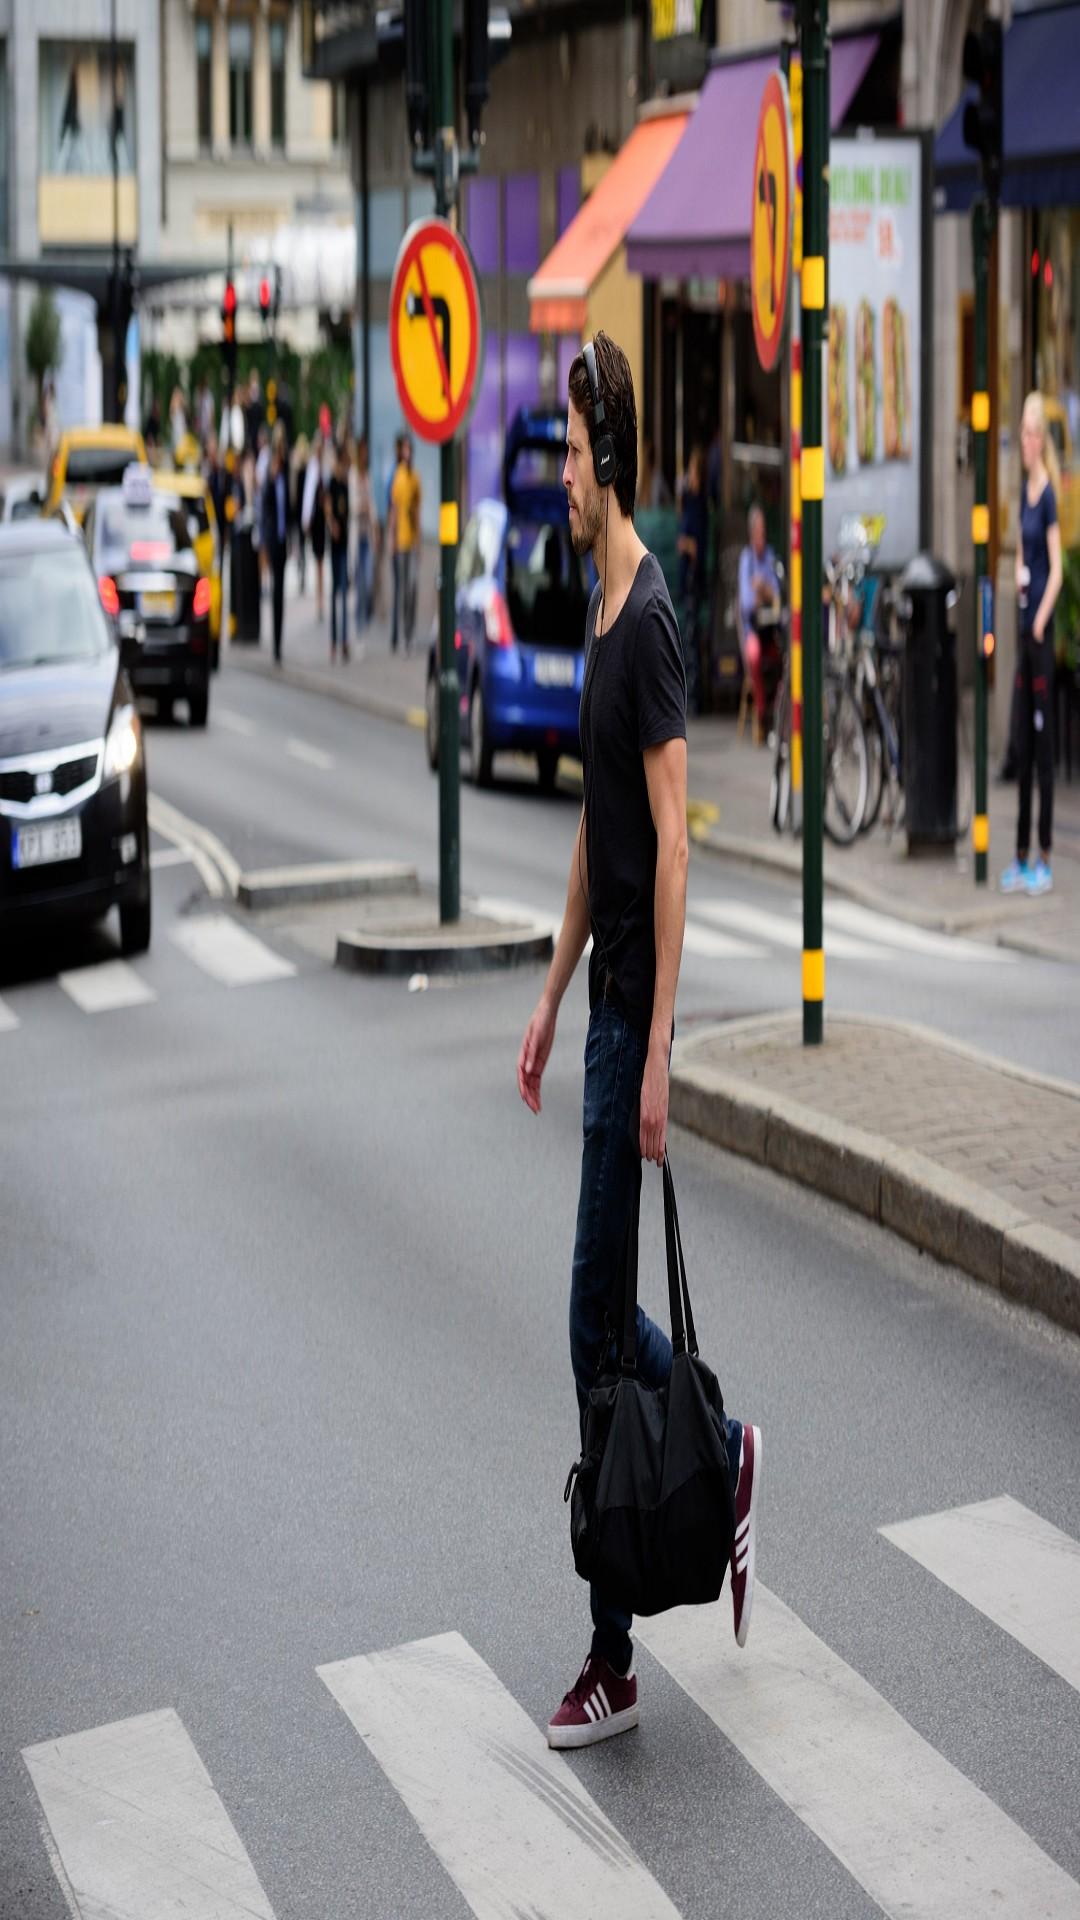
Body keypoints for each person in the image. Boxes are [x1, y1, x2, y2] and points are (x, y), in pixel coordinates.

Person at [516, 331, 762, 1751]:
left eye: (565, 450)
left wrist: (658, 1040)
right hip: (595, 1016)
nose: (558, 475)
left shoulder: (655, 620)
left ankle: (615, 1644)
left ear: (603, 450)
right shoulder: (600, 616)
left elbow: (673, 846)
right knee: (599, 1326)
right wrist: (549, 994)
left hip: (635, 1031)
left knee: (590, 1327)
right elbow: (596, 844)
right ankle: (723, 1454)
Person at [1001, 391, 1063, 897]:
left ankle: (1044, 854)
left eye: (1027, 433)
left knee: (1043, 748)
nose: (1023, 441)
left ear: (1040, 439)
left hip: (1040, 635)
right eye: (1020, 432)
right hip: (1024, 629)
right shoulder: (1024, 492)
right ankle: (1019, 856)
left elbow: (1057, 569)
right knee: (1020, 740)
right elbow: (1023, 555)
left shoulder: (1048, 496)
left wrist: (1040, 619)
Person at [738, 504, 782, 736]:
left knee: (785, 656)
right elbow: (746, 604)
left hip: (771, 628)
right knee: (754, 657)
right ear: (752, 532)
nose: (761, 536)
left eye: (764, 531)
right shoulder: (747, 559)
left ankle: (778, 708)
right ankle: (762, 712)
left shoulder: (770, 556)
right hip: (753, 630)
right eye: (758, 531)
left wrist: (764, 589)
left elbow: (776, 593)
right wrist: (760, 594)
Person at [677, 445, 708, 712]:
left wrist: (686, 544)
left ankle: (695, 697)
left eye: (692, 471)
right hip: (686, 576)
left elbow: (697, 545)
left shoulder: (699, 507)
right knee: (687, 635)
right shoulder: (689, 501)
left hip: (693, 578)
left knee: (691, 635)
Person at [260, 425, 290, 665]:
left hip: (283, 541)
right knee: (275, 592)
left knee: (281, 592)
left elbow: (290, 510)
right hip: (272, 540)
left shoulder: (285, 479)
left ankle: (279, 643)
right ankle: (275, 645)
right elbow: (265, 511)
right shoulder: (270, 480)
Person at [390, 435, 421, 654]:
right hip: (400, 541)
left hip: (412, 541)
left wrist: (419, 541)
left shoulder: (415, 478)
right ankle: (402, 634)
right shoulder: (398, 477)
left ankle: (410, 632)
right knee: (402, 590)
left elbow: (417, 510)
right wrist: (391, 540)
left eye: (410, 450)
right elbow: (393, 510)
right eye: (405, 450)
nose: (407, 454)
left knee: (412, 587)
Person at [325, 440, 351, 662]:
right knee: (336, 594)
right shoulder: (333, 481)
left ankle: (344, 641)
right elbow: (327, 505)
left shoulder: (346, 482)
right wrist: (331, 522)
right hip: (335, 545)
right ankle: (335, 641)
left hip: (344, 545)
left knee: (343, 593)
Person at [350, 434, 376, 634]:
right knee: (359, 577)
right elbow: (354, 505)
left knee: (367, 577)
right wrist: (363, 508)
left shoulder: (367, 476)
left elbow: (372, 505)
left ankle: (363, 615)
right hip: (356, 533)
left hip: (367, 533)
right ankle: (358, 618)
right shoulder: (353, 476)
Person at [302, 431, 326, 619]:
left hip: (323, 519)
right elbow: (308, 496)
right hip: (316, 519)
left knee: (321, 561)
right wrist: (306, 519)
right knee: (318, 559)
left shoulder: (324, 468)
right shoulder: (313, 468)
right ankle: (319, 600)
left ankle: (321, 600)